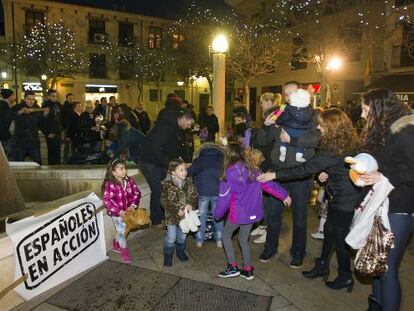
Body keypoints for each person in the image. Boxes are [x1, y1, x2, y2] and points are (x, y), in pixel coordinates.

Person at [258, 108, 361, 292]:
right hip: (339, 195)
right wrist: (326, 172)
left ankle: (345, 276)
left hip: (345, 199)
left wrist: (274, 174)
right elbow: (341, 166)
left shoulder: (332, 150)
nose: (319, 128)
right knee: (329, 232)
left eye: (322, 125)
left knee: (339, 238)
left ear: (333, 128)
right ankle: (322, 265)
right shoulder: (345, 143)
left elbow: (304, 169)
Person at [357, 88, 414, 311]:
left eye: (365, 109)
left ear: (379, 108)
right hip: (383, 203)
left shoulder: (405, 130)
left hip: (401, 207)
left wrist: (384, 176)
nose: (361, 115)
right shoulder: (385, 129)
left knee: (387, 267)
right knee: (377, 264)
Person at [254, 80, 320, 268]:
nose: (289, 97)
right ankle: (270, 247)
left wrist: (293, 140)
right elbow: (261, 141)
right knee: (273, 213)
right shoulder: (279, 114)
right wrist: (266, 126)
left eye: (293, 93)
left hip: (300, 175)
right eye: (286, 94)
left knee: (299, 216)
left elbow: (318, 139)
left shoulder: (312, 115)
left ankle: (298, 252)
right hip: (278, 172)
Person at [215, 143, 291, 280]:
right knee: (243, 239)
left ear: (227, 156)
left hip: (237, 214)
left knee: (226, 236)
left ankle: (232, 267)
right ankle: (247, 269)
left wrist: (217, 215)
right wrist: (284, 195)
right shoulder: (254, 170)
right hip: (253, 213)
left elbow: (223, 199)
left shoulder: (228, 174)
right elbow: (269, 185)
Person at [138, 109, 195, 226]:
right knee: (157, 189)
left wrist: (177, 161)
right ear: (184, 118)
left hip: (159, 162)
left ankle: (164, 216)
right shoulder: (166, 126)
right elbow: (156, 147)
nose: (189, 126)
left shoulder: (176, 128)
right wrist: (169, 165)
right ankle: (156, 220)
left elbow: (172, 148)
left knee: (165, 188)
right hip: (149, 161)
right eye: (189, 123)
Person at [102, 158, 141, 264]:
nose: (124, 171)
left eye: (124, 168)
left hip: (128, 212)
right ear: (113, 172)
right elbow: (107, 201)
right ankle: (124, 252)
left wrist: (133, 205)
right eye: (121, 169)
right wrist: (119, 211)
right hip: (117, 214)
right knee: (122, 232)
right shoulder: (109, 185)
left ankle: (115, 244)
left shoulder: (129, 181)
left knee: (121, 231)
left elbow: (137, 193)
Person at [160, 159, 198, 267]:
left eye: (185, 169)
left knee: (182, 236)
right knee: (171, 237)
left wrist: (190, 205)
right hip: (171, 217)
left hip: (185, 218)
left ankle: (180, 252)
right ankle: (168, 256)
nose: (184, 172)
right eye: (181, 170)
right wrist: (176, 210)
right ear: (173, 172)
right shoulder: (167, 185)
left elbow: (194, 196)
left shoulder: (189, 183)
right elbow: (164, 202)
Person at [188, 143, 225, 248]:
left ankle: (200, 240)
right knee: (217, 215)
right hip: (217, 190)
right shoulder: (222, 160)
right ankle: (219, 240)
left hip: (202, 190)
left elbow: (189, 172)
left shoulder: (199, 159)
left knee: (201, 215)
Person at [8, 91, 48, 164]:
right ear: (24, 99)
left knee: (38, 162)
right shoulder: (18, 107)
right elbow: (8, 117)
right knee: (18, 162)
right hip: (19, 140)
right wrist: (20, 112)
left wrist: (44, 115)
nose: (31, 101)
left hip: (33, 139)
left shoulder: (37, 108)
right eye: (29, 99)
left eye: (33, 99)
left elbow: (41, 122)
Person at [275, 89, 314, 163]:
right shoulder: (282, 107)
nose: (288, 97)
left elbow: (281, 118)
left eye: (290, 94)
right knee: (298, 144)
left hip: (289, 130)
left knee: (284, 140)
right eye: (286, 94)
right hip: (301, 132)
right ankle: (298, 154)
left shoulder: (287, 108)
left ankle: (283, 149)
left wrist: (277, 122)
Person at [41, 89, 63, 165]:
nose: (55, 98)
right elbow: (43, 122)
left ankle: (58, 165)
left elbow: (61, 117)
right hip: (51, 133)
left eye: (56, 96)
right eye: (53, 96)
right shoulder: (45, 106)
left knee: (58, 151)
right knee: (52, 152)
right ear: (48, 97)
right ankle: (51, 168)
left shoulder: (58, 105)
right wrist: (47, 133)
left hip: (58, 132)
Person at [0, 89, 16, 156]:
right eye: (13, 95)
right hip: (5, 136)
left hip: (4, 135)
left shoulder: (4, 104)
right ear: (9, 96)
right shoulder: (4, 106)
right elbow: (7, 120)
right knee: (7, 156)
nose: (14, 97)